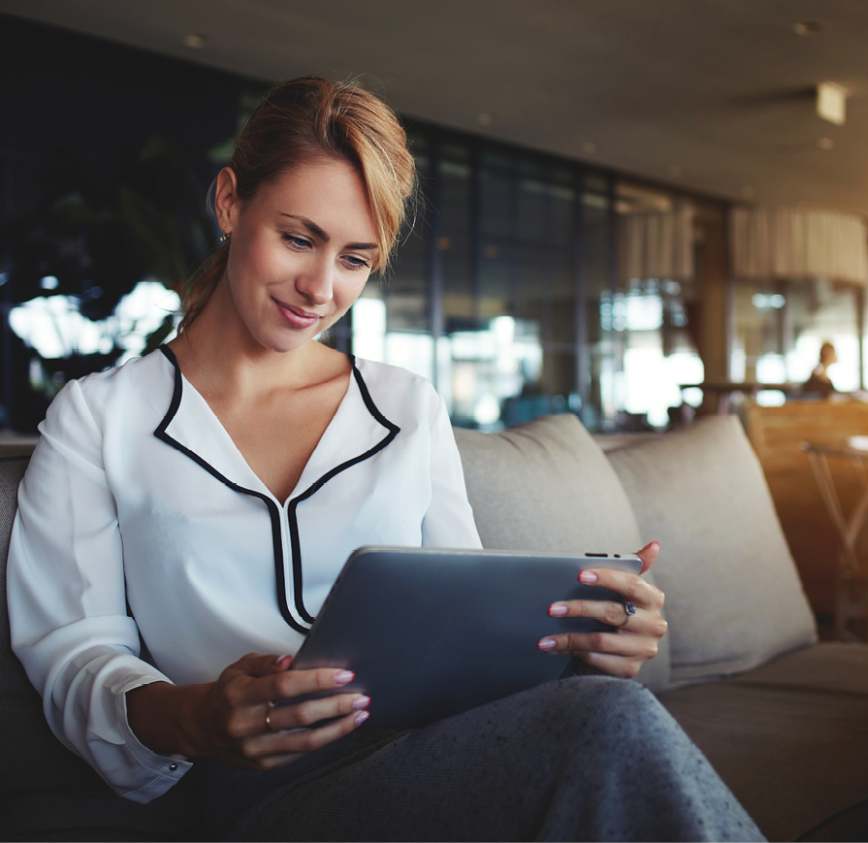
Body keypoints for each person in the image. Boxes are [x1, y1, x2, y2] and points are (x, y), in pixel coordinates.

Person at [7, 75, 767, 842]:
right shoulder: (99, 416)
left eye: (355, 259)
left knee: (608, 712)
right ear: (231, 202)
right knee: (608, 729)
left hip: (436, 748)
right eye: (299, 238)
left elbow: (466, 623)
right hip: (265, 789)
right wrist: (198, 716)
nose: (320, 287)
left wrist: (586, 649)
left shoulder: (406, 405)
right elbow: (72, 652)